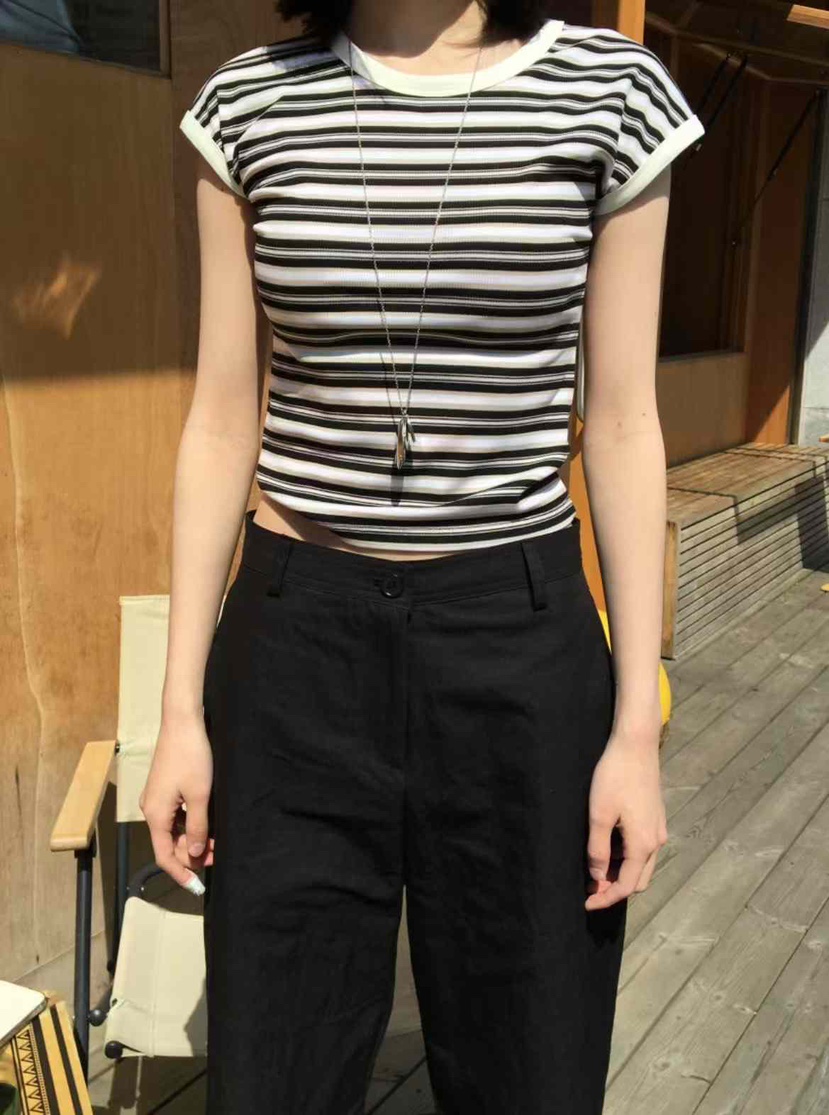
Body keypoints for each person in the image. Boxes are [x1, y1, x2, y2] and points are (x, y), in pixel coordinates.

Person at [139, 1, 705, 1111]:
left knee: (529, 1064)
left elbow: (623, 424)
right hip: (296, 643)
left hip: (517, 642)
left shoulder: (611, 94)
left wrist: (634, 731)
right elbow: (219, 418)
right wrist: (179, 715)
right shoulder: (249, 104)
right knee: (274, 1068)